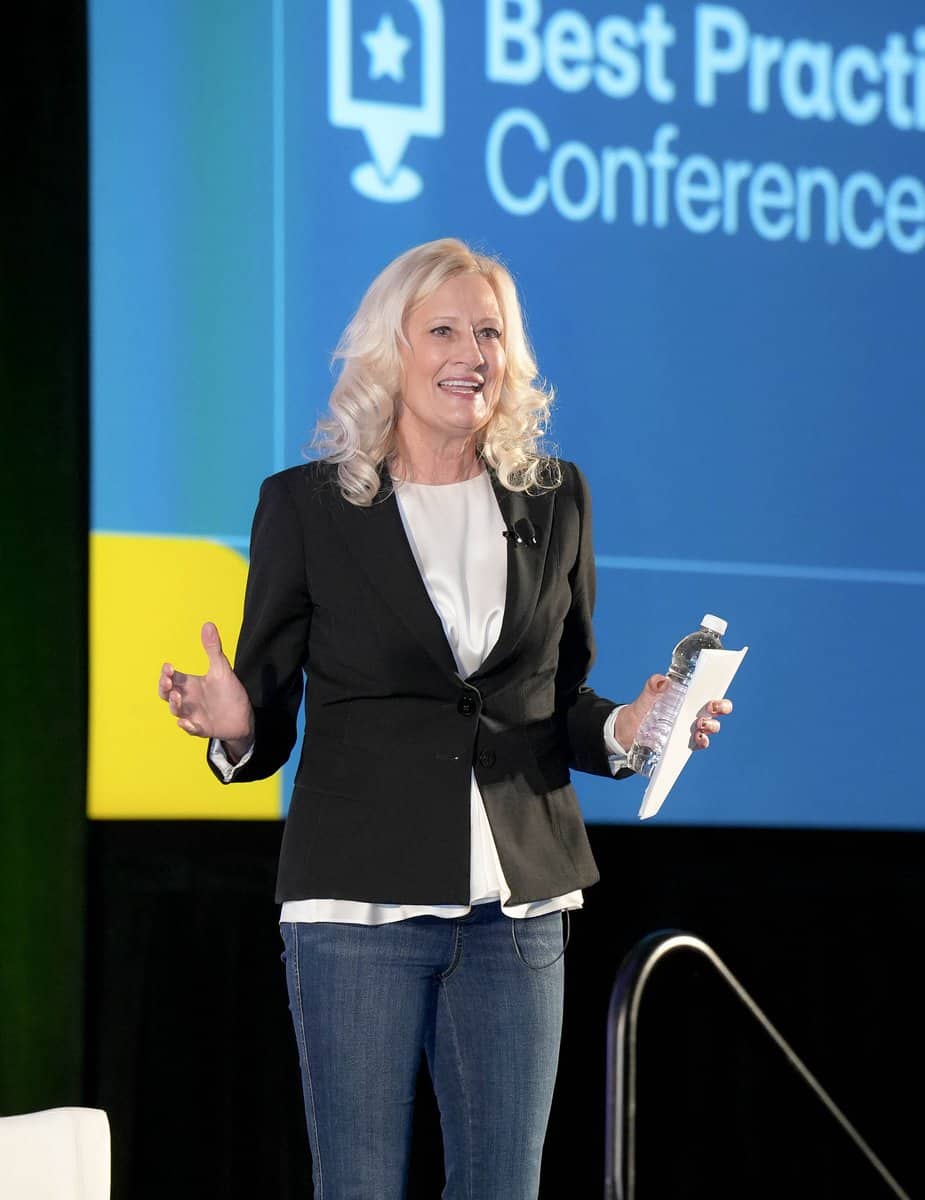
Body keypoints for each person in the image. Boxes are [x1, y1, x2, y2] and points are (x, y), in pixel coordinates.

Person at [156, 238, 733, 1200]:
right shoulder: (307, 507)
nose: (472, 350)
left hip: (517, 908)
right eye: (444, 329)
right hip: (357, 908)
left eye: (491, 331)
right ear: (393, 347)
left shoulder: (557, 501)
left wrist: (635, 726)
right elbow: (264, 714)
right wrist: (235, 724)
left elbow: (556, 706)